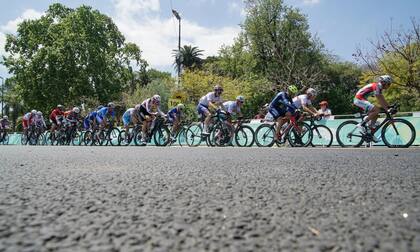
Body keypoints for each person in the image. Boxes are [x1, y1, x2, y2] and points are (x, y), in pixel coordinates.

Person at [353, 75, 393, 141]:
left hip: (361, 99)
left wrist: (389, 106)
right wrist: (387, 109)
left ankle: (371, 133)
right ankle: (362, 124)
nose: (389, 86)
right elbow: (379, 99)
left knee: (376, 113)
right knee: (376, 110)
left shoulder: (379, 87)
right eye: (388, 84)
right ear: (384, 82)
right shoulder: (377, 86)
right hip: (359, 99)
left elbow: (382, 98)